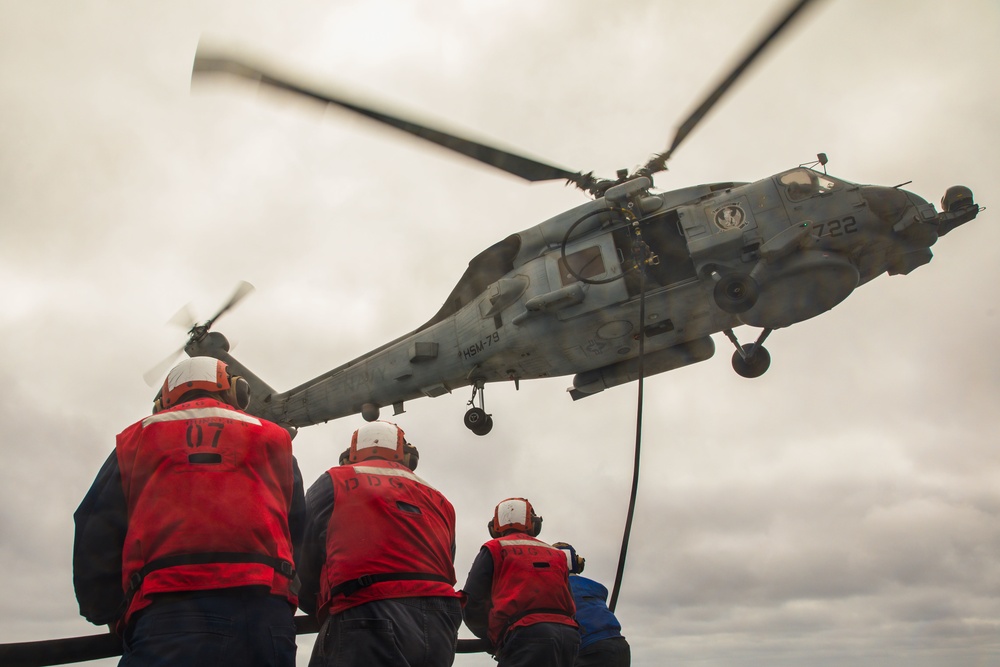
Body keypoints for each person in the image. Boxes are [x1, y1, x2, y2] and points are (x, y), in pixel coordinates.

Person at [73, 356, 305, 667]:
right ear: (237, 392)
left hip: (170, 615)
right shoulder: (274, 438)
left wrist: (104, 610)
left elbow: (96, 527)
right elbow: (296, 527)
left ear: (163, 401)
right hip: (268, 618)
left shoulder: (137, 438)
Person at [298, 420, 462, 667]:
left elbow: (303, 552)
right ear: (407, 457)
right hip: (442, 622)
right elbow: (447, 559)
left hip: (367, 611)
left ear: (351, 455)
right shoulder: (440, 499)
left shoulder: (335, 479)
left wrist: (313, 605)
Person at [461, 497, 580, 667]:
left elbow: (472, 602)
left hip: (524, 636)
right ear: (533, 523)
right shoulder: (557, 555)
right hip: (569, 637)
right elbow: (569, 601)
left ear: (494, 527)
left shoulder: (495, 548)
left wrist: (491, 636)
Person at [553, 542, 631, 667]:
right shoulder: (596, 587)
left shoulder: (553, 588)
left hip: (590, 648)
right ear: (579, 564)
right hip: (621, 646)